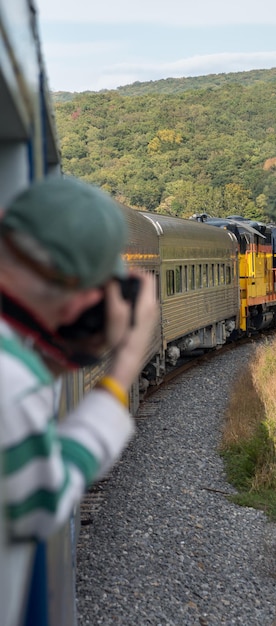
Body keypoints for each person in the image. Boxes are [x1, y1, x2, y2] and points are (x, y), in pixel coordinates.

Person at [0, 176, 158, 541]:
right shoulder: (13, 380)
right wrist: (122, 369)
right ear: (82, 299)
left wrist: (59, 358)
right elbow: (41, 508)